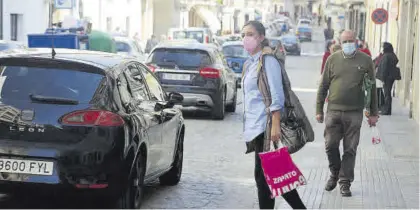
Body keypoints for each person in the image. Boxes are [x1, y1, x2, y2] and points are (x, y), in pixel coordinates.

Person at [241, 20, 306, 209]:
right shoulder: (250, 63)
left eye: (251, 34)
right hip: (255, 127)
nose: (246, 38)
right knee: (271, 174)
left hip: (266, 125)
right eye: (243, 35)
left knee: (265, 176)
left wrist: (276, 124)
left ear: (261, 37)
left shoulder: (268, 61)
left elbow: (276, 94)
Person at [316, 30, 379, 197]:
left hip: (354, 113)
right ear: (340, 42)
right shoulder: (332, 59)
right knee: (330, 145)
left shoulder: (365, 61)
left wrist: (373, 112)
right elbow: (323, 86)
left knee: (350, 149)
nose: (348, 44)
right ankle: (334, 173)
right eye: (345, 41)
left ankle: (345, 183)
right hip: (333, 111)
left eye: (351, 40)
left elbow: (372, 87)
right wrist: (318, 110)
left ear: (356, 41)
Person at [376, 42, 399, 115]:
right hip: (391, 77)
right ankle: (388, 110)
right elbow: (396, 61)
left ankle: (386, 110)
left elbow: (384, 68)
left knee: (387, 94)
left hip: (387, 77)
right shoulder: (393, 55)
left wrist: (382, 78)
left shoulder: (386, 56)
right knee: (388, 93)